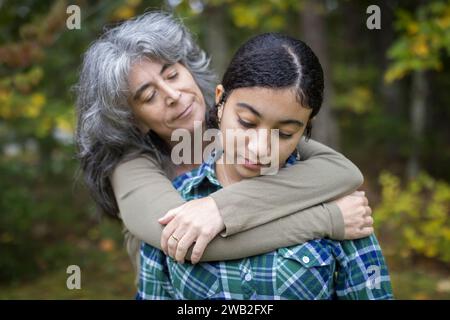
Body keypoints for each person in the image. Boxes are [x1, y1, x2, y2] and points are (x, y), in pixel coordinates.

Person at [75, 12, 373, 283]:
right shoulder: (129, 168)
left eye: (172, 74)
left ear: (187, 67)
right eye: (148, 95)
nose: (174, 95)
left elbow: (340, 171)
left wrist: (220, 208)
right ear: (132, 118)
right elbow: (191, 243)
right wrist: (325, 219)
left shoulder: (238, 120)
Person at [138, 32, 393, 300]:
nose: (260, 149)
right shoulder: (175, 202)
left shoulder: (341, 207)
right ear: (221, 101)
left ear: (306, 127)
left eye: (284, 133)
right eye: (247, 122)